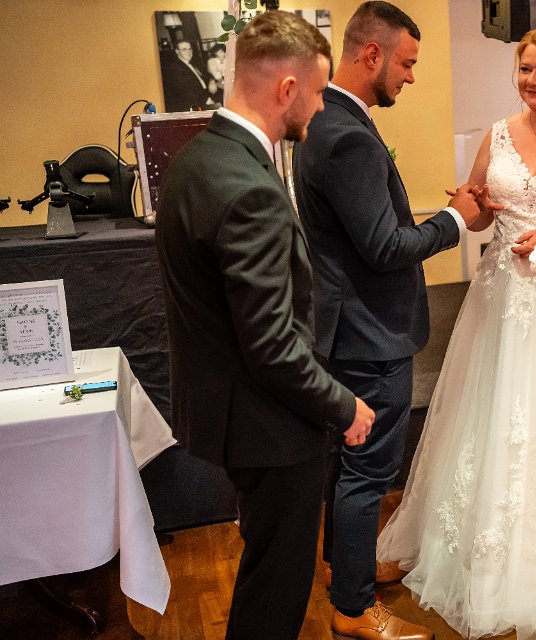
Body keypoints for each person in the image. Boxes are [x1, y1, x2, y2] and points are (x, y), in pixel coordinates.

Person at [376, 23, 536, 640]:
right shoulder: (500, 133)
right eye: (524, 68)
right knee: (488, 418)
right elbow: (481, 213)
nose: (530, 80)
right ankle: (477, 552)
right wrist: (471, 206)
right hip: (500, 299)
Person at [155, 12, 374, 640]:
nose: (322, 107)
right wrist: (344, 406)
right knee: (276, 590)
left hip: (226, 412)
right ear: (287, 88)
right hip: (269, 425)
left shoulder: (195, 158)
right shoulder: (249, 187)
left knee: (264, 570)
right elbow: (273, 346)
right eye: (319, 92)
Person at [291, 3, 481, 639]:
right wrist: (455, 222)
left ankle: (342, 567)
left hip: (345, 326)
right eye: (406, 62)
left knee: (347, 461)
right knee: (368, 469)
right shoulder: (346, 134)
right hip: (370, 334)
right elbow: (384, 246)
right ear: (371, 54)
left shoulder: (326, 117)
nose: (411, 76)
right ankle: (353, 607)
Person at [160, 40, 208, 111]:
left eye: (190, 49)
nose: (188, 52)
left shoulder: (193, 63)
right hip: (192, 105)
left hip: (204, 96)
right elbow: (187, 93)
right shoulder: (175, 68)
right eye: (184, 49)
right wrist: (206, 100)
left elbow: (203, 79)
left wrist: (211, 82)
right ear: (177, 51)